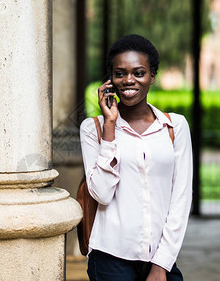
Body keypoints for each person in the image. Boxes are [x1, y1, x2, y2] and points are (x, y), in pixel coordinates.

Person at [79, 34, 193, 281]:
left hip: (161, 259)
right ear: (111, 79)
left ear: (152, 76)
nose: (129, 80)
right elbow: (102, 194)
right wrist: (110, 127)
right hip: (110, 260)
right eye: (120, 73)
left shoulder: (174, 127)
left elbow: (181, 200)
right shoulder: (93, 129)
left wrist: (161, 265)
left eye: (139, 72)